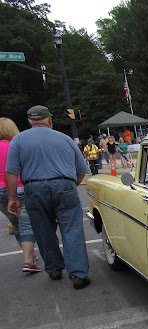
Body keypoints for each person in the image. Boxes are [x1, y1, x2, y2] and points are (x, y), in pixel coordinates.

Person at [5, 105, 91, 289]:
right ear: (49, 120)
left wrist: (13, 198)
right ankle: (78, 273)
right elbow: (81, 170)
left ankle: (54, 268)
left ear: (29, 121)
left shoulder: (18, 140)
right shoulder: (65, 138)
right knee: (72, 229)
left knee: (43, 230)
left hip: (34, 187)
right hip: (64, 184)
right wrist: (70, 185)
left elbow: (11, 172)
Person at [0, 117, 40, 273]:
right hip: (19, 187)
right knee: (26, 223)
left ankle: (30, 254)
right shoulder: (16, 145)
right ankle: (28, 260)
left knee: (16, 223)